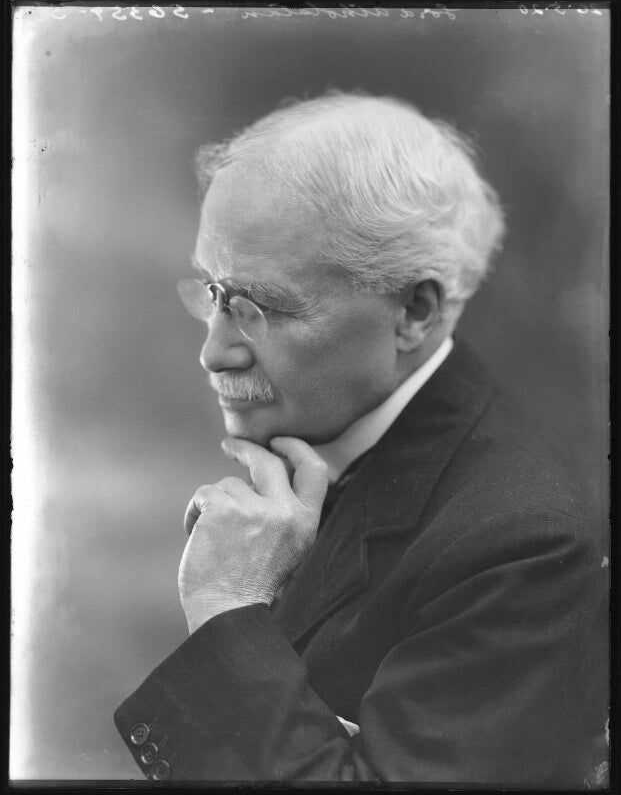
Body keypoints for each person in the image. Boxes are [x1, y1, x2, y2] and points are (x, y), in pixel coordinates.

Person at [114, 92, 607, 785]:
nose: (214, 352)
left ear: (415, 312)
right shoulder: (325, 427)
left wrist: (227, 606)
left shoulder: (519, 545)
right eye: (215, 293)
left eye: (263, 307)